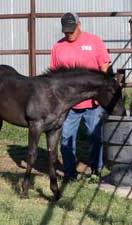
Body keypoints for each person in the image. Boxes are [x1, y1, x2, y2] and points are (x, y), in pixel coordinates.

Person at [50, 12, 111, 182]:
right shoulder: (58, 47)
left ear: (79, 25)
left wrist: (101, 91)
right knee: (67, 138)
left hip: (93, 102)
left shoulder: (94, 41)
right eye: (66, 31)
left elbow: (104, 66)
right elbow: (55, 76)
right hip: (68, 105)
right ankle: (70, 173)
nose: (69, 34)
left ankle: (96, 170)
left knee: (95, 137)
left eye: (71, 30)